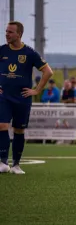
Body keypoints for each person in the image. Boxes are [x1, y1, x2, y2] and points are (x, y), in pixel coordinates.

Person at [0, 21, 54, 174]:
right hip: (4, 96)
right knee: (2, 125)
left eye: (10, 32)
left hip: (22, 98)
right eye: (6, 31)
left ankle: (16, 165)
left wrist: (36, 90)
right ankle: (3, 162)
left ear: (19, 34)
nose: (7, 34)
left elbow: (48, 72)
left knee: (19, 130)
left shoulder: (30, 53)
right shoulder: (2, 50)